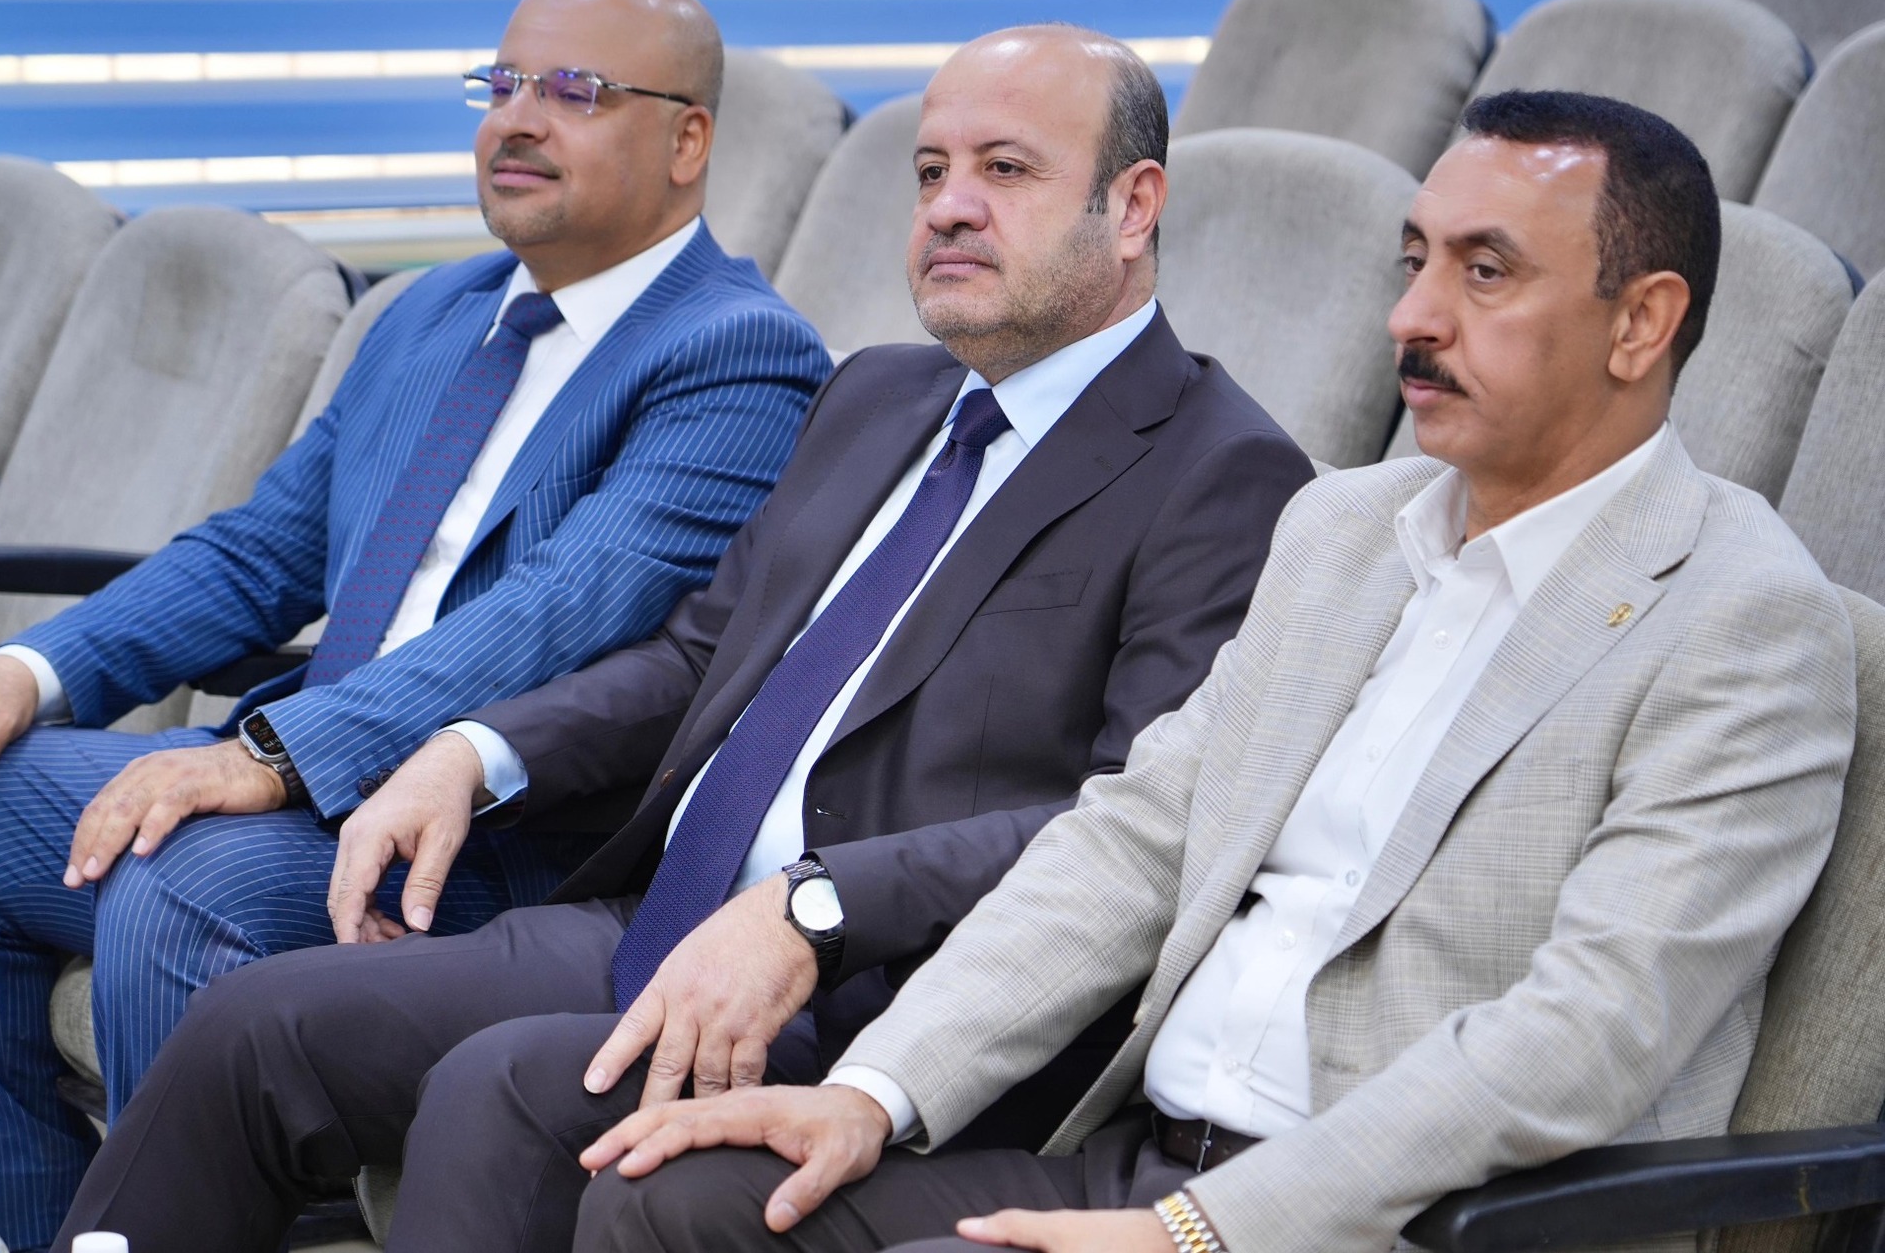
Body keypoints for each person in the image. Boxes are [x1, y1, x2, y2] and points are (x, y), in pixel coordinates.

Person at [50, 25, 1316, 1253]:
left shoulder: (1222, 473)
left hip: (875, 989)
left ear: (1132, 206)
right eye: (930, 171)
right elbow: (698, 659)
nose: (947, 207)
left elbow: (1128, 827)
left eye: (1005, 170)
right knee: (251, 1029)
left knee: (503, 1092)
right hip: (658, 913)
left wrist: (813, 908)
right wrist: (473, 752)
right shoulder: (878, 394)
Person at [567, 90, 1862, 1253]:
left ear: (1641, 323)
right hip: (1146, 1152)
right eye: (1413, 261)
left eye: (1485, 272)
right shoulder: (1347, 529)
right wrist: (872, 1093)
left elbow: (1592, 1030)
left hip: (1405, 1220)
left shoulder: (1743, 623)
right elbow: (1137, 839)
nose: (1412, 316)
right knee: (667, 1193)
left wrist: (1196, 1233)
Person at [0, 0, 830, 1248]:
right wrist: (32, 670)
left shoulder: (737, 352)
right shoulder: (432, 311)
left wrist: (269, 758)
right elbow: (263, 550)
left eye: (574, 92)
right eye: (502, 84)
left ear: (687, 140)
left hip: (500, 834)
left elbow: (559, 611)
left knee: (180, 880)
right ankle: (24, 1229)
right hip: (312, 781)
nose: (516, 118)